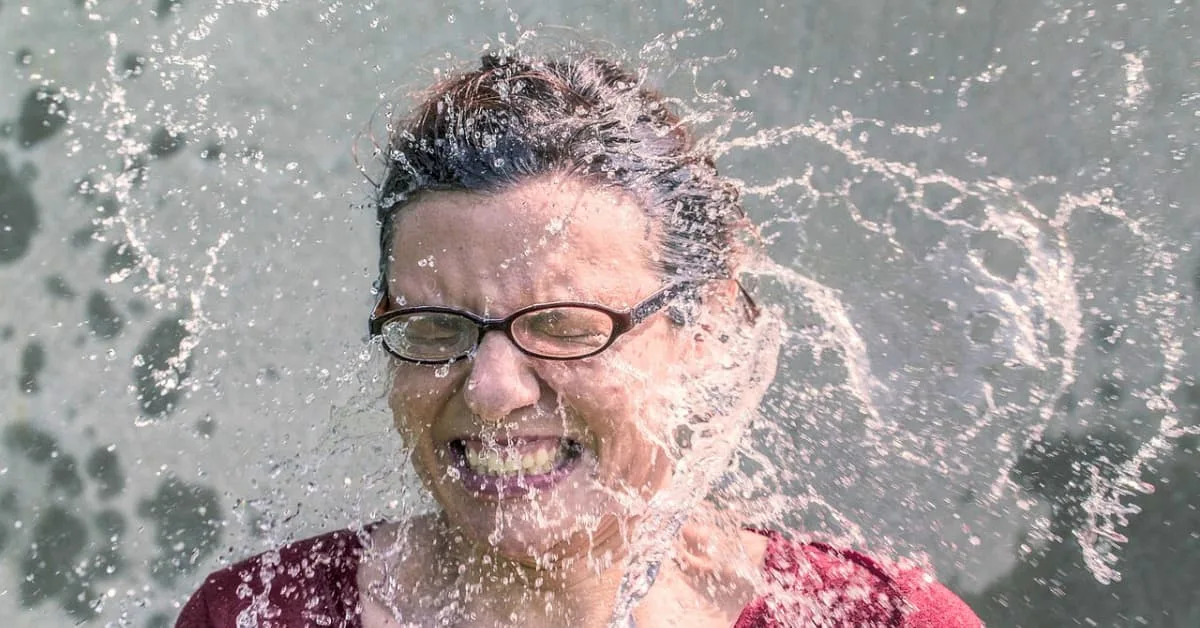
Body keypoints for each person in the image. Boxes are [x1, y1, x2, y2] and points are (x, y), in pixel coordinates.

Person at [176, 52, 982, 627]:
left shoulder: (879, 620)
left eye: (564, 326)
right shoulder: (256, 615)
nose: (491, 389)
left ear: (704, 327)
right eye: (436, 328)